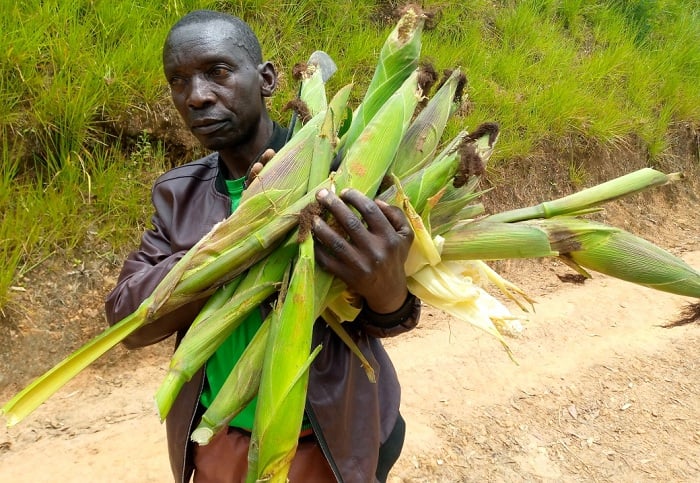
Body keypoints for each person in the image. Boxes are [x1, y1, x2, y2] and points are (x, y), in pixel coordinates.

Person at [105, 9, 421, 483]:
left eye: (217, 72)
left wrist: (389, 287)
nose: (196, 97)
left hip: (329, 440)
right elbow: (127, 320)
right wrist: (239, 241)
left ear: (267, 78)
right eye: (178, 82)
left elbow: (388, 316)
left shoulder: (344, 172)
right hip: (222, 439)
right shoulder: (178, 194)